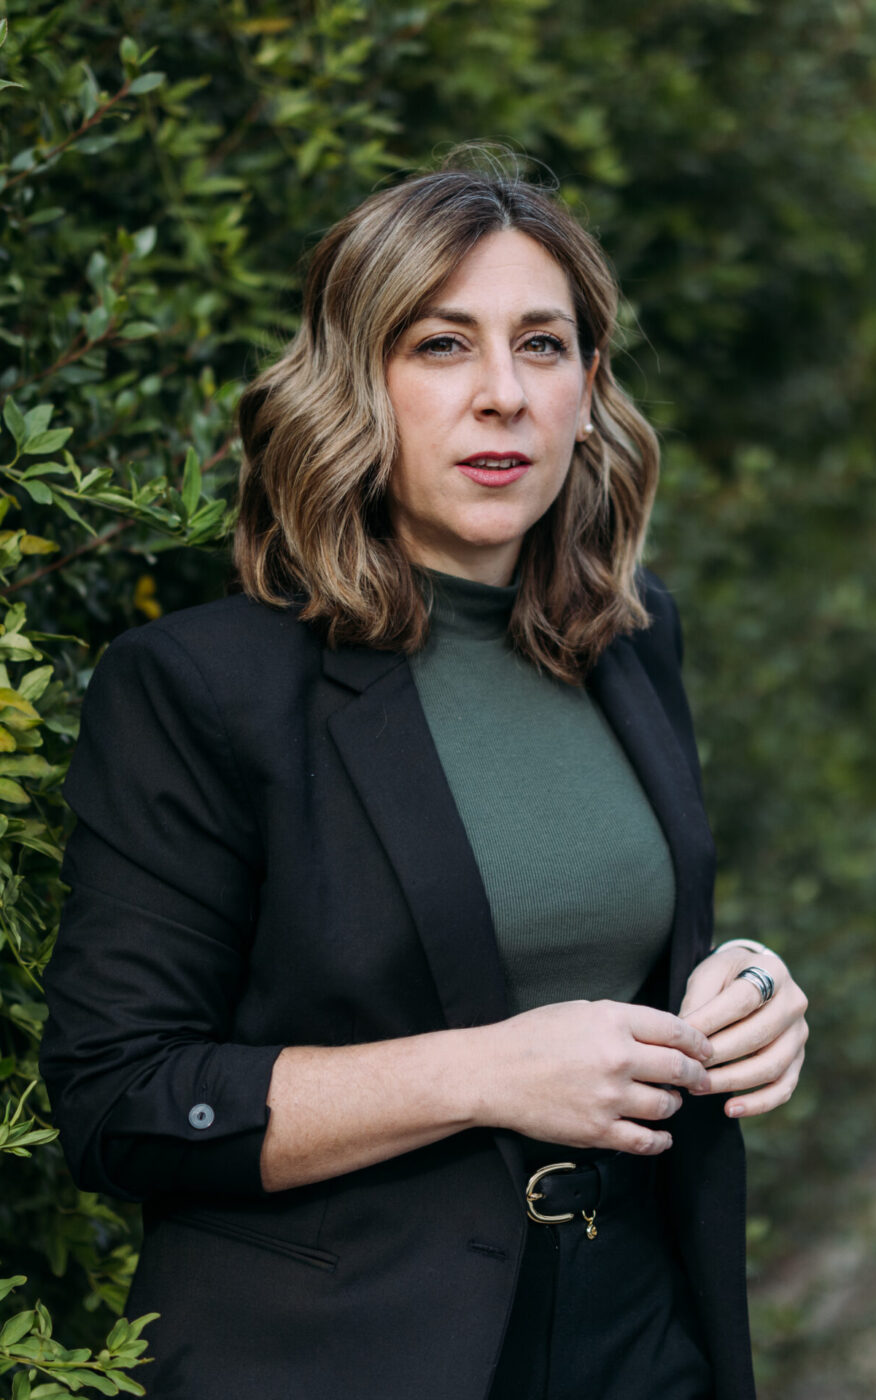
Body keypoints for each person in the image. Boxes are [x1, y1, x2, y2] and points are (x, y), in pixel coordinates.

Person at [40, 149, 808, 1400]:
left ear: (588, 388)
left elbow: (589, 940)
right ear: (358, 385)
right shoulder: (201, 688)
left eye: (542, 345)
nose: (502, 394)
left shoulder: (628, 635)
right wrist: (482, 1070)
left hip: (635, 1328)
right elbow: (121, 1097)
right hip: (346, 1352)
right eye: (442, 345)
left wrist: (748, 986)